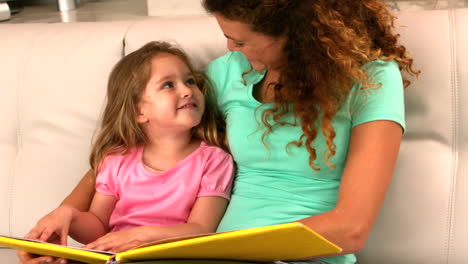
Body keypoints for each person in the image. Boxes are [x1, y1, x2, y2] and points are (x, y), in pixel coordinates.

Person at [18, 1, 420, 264]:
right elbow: (139, 140)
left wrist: (210, 247)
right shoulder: (231, 73)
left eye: (240, 39)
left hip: (290, 257)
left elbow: (351, 229)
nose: (228, 48)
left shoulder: (369, 79)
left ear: (299, 34)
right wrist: (58, 224)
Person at [18, 41, 234, 263]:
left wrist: (142, 235)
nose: (188, 90)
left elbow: (201, 229)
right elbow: (98, 227)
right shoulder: (116, 160)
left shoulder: (214, 160)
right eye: (168, 85)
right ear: (138, 111)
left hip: (171, 256)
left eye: (190, 81)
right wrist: (69, 216)